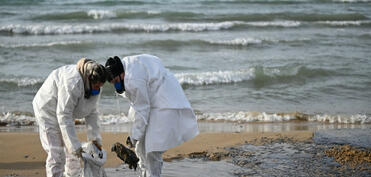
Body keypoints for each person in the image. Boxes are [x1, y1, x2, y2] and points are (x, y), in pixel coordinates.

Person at [105, 54, 199, 177]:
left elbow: (142, 110)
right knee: (141, 148)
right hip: (153, 94)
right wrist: (135, 139)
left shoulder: (133, 80)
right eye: (113, 83)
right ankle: (145, 173)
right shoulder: (126, 66)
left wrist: (133, 138)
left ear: (121, 73)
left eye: (116, 81)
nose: (116, 85)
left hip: (164, 99)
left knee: (153, 148)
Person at [32, 58, 106, 177]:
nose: (98, 89)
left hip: (66, 110)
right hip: (47, 110)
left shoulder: (94, 84)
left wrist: (95, 140)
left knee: (73, 154)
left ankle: (73, 175)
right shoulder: (73, 82)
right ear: (89, 79)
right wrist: (74, 146)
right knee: (56, 153)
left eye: (100, 86)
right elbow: (63, 114)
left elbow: (92, 112)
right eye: (96, 86)